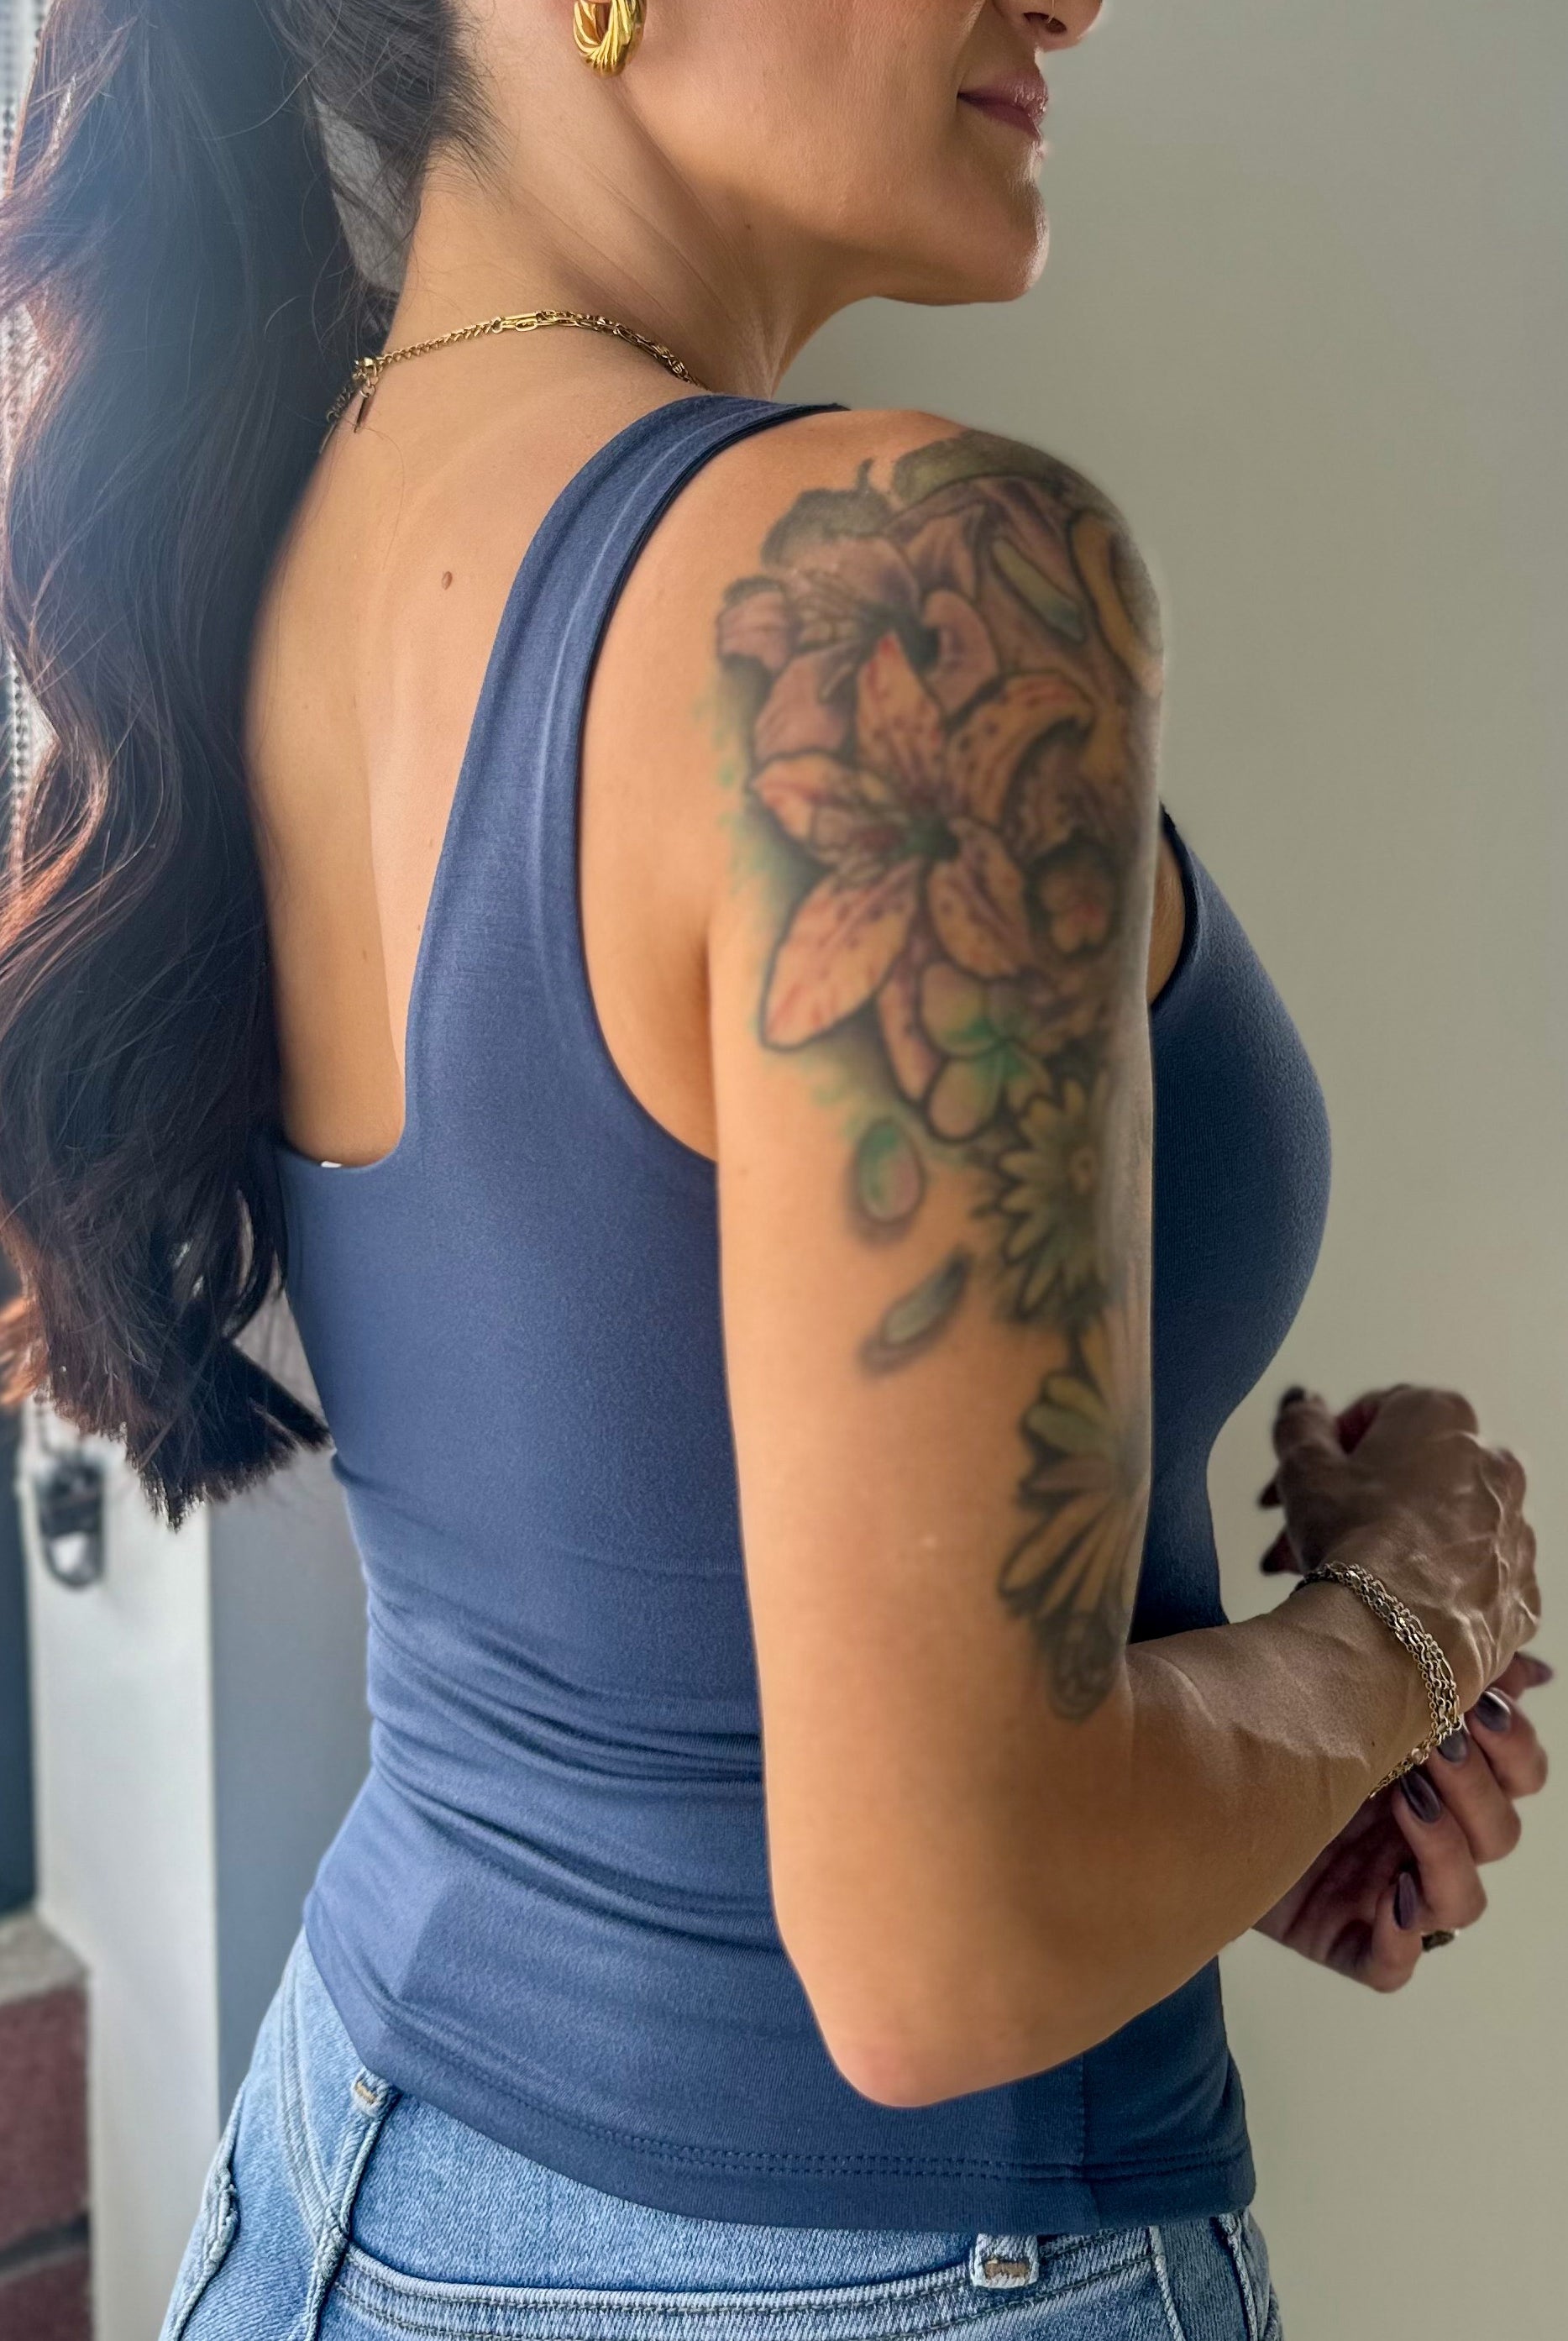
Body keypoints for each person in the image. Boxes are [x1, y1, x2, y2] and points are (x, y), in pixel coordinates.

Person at [0, 4, 1547, 2338]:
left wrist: (1204, 1782)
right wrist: (1410, 1619)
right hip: (888, 2266)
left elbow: (664, 1565)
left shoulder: (299, 511)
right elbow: (947, 1950)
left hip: (353, 2173)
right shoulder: (903, 600)